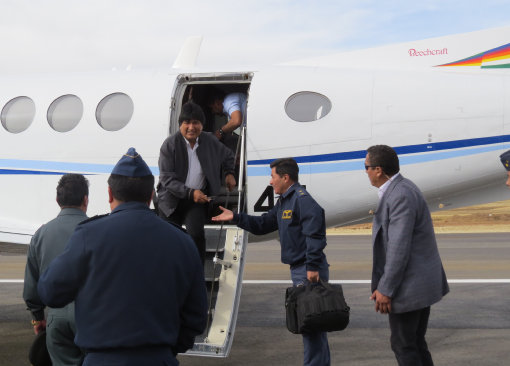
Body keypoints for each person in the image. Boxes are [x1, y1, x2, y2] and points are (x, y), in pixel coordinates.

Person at [38, 148, 208, 366]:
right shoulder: (182, 242)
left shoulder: (88, 236)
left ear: (109, 194)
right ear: (150, 196)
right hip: (159, 359)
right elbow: (196, 317)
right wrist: (166, 349)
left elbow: (50, 292)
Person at [212, 157, 331, 366]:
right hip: (300, 268)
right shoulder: (285, 201)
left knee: (310, 324)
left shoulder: (302, 200)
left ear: (285, 178)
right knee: (313, 324)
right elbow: (262, 224)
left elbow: (316, 234)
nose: (270, 181)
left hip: (308, 269)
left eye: (273, 177)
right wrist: (235, 217)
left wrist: (312, 267)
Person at [364, 145, 450, 366]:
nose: (365, 172)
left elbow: (398, 247)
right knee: (414, 343)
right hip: (417, 283)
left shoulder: (400, 195)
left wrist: (385, 288)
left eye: (366, 167)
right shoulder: (402, 188)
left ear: (379, 170)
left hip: (409, 287)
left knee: (404, 345)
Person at [157, 101, 236, 263]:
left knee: (196, 235)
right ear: (180, 125)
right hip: (171, 200)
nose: (191, 127)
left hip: (196, 201)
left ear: (202, 125)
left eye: (196, 123)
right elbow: (166, 178)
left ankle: (196, 274)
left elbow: (228, 155)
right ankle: (170, 275)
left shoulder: (209, 140)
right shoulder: (169, 145)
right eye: (187, 123)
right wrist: (190, 193)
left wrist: (229, 173)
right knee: (169, 239)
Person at [23, 173, 88, 366]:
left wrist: (37, 318)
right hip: (91, 315)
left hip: (56, 317)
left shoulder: (41, 234)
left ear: (57, 200)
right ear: (86, 199)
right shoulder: (97, 230)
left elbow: (32, 285)